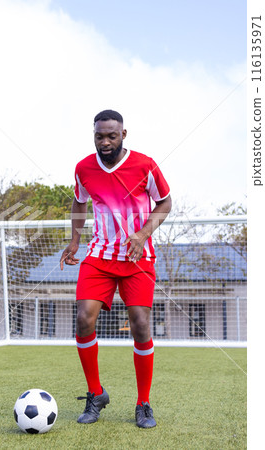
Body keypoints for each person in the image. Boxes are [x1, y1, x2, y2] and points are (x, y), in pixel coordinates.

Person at [60, 109, 171, 428]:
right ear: (93, 135)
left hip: (138, 257)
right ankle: (96, 394)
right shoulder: (83, 168)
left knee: (139, 324)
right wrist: (75, 240)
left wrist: (143, 233)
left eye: (111, 135)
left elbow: (165, 201)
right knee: (83, 318)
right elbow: (79, 202)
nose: (105, 141)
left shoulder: (145, 165)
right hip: (100, 256)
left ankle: (143, 402)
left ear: (124, 134)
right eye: (99, 136)